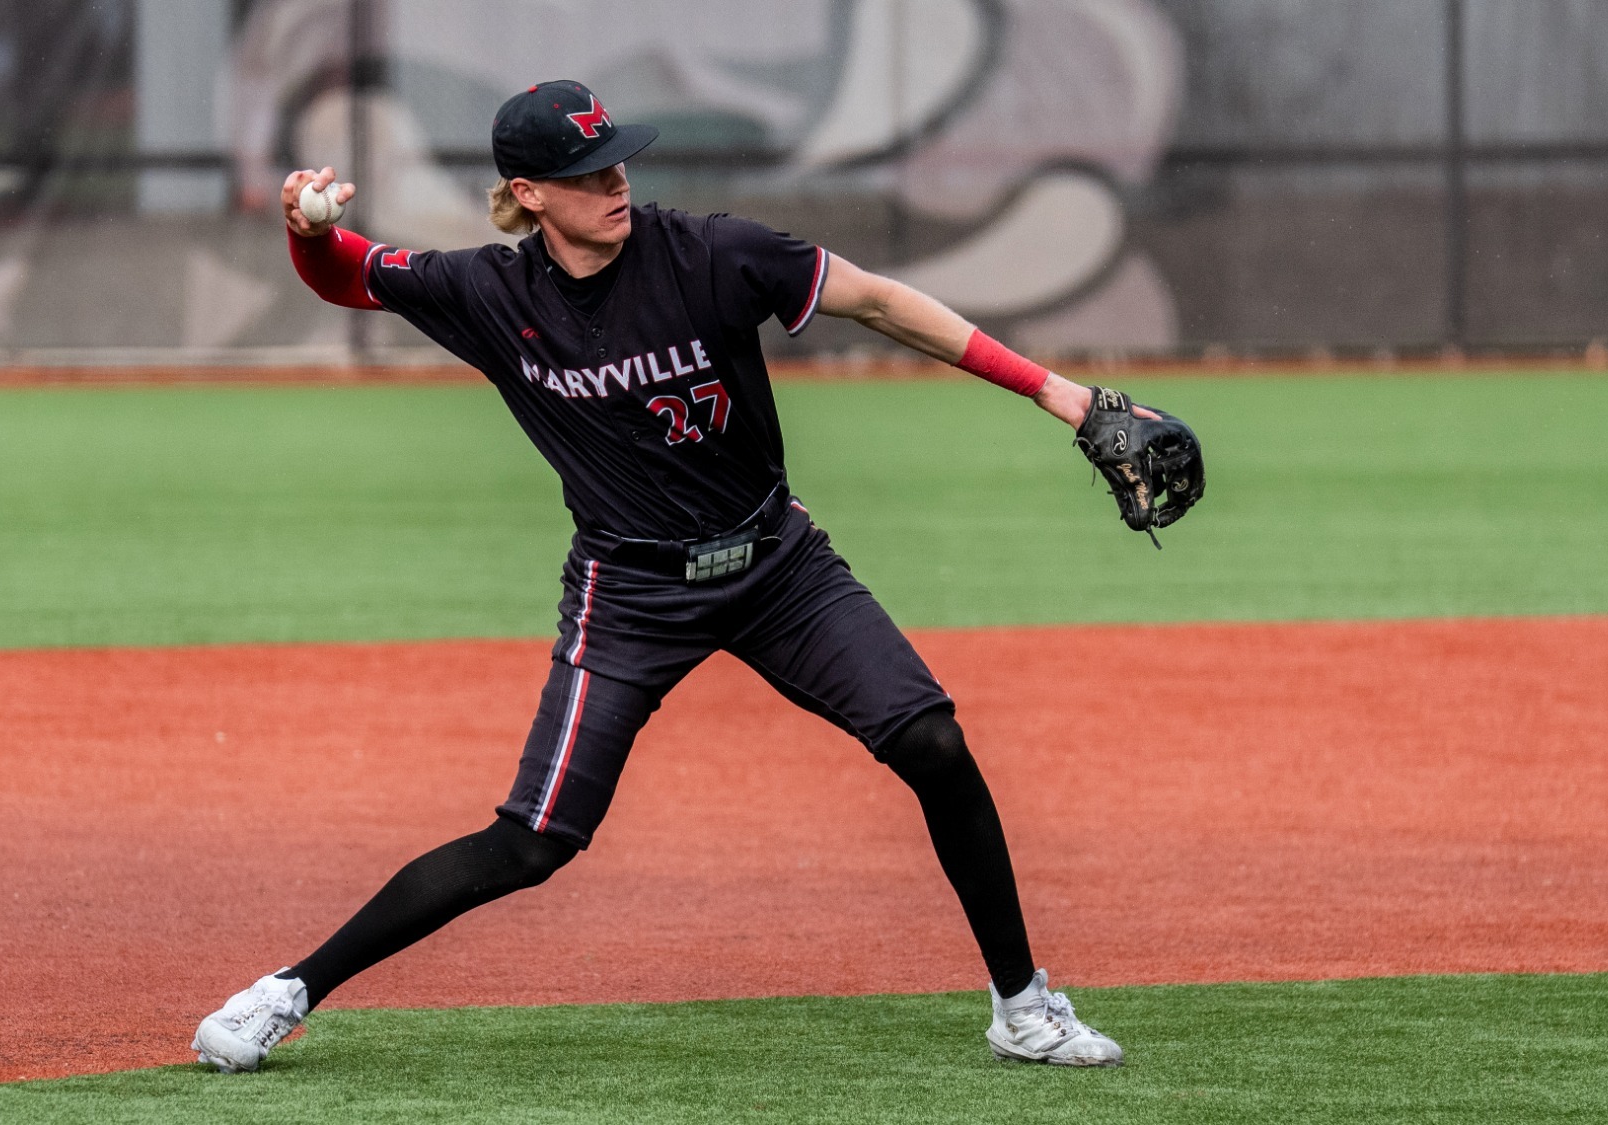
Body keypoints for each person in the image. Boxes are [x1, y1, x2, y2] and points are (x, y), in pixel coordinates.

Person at [193, 79, 1142, 1073]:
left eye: (614, 160)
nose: (611, 182)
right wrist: (306, 230)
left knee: (933, 743)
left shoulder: (711, 253)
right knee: (533, 841)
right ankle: (285, 992)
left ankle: (1022, 1006)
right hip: (630, 591)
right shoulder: (489, 293)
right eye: (581, 172)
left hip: (776, 565)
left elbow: (878, 301)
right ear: (528, 193)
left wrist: (1062, 398)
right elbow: (351, 275)